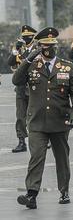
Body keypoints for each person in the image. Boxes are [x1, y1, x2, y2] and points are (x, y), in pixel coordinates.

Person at [12, 27, 73, 209]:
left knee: (62, 159)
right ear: (39, 46)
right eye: (45, 45)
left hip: (60, 121)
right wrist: (28, 59)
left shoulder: (67, 67)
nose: (49, 48)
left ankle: (64, 191)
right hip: (36, 122)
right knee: (36, 158)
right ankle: (31, 194)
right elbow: (16, 80)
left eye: (52, 45)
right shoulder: (32, 66)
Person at [7, 25, 37, 153]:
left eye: (28, 36)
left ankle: (42, 140)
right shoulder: (19, 49)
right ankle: (21, 141)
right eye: (24, 36)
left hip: (34, 86)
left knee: (37, 115)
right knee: (20, 116)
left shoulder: (38, 49)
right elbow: (10, 62)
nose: (25, 38)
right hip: (20, 87)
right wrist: (15, 51)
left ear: (33, 36)